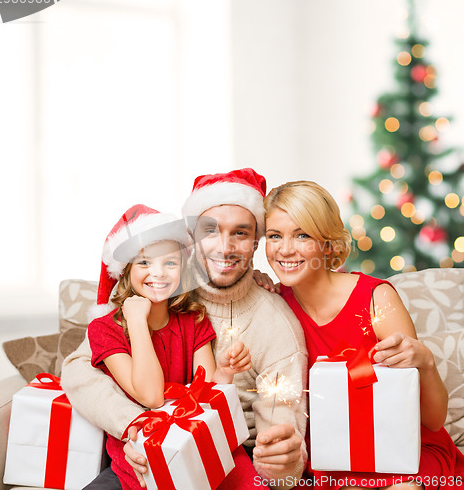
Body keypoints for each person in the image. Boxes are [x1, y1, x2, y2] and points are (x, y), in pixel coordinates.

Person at [61, 168, 309, 490]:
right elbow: (79, 369)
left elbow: (277, 431)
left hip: (222, 451)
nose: (224, 247)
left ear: (256, 242)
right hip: (137, 452)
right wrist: (133, 427)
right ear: (191, 238)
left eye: (240, 233)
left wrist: (282, 461)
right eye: (210, 231)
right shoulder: (158, 284)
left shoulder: (272, 323)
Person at [259, 179, 464, 489]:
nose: (285, 249)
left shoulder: (375, 299)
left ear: (327, 243)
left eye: (302, 235)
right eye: (275, 236)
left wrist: (426, 363)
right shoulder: (274, 307)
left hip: (404, 452)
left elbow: (432, 421)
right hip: (334, 458)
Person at [85, 204, 252, 489]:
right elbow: (151, 396)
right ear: (126, 271)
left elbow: (206, 394)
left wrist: (224, 372)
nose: (158, 273)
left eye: (170, 263)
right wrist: (137, 321)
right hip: (141, 454)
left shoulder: (193, 319)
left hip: (194, 441)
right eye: (145, 263)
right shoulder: (104, 330)